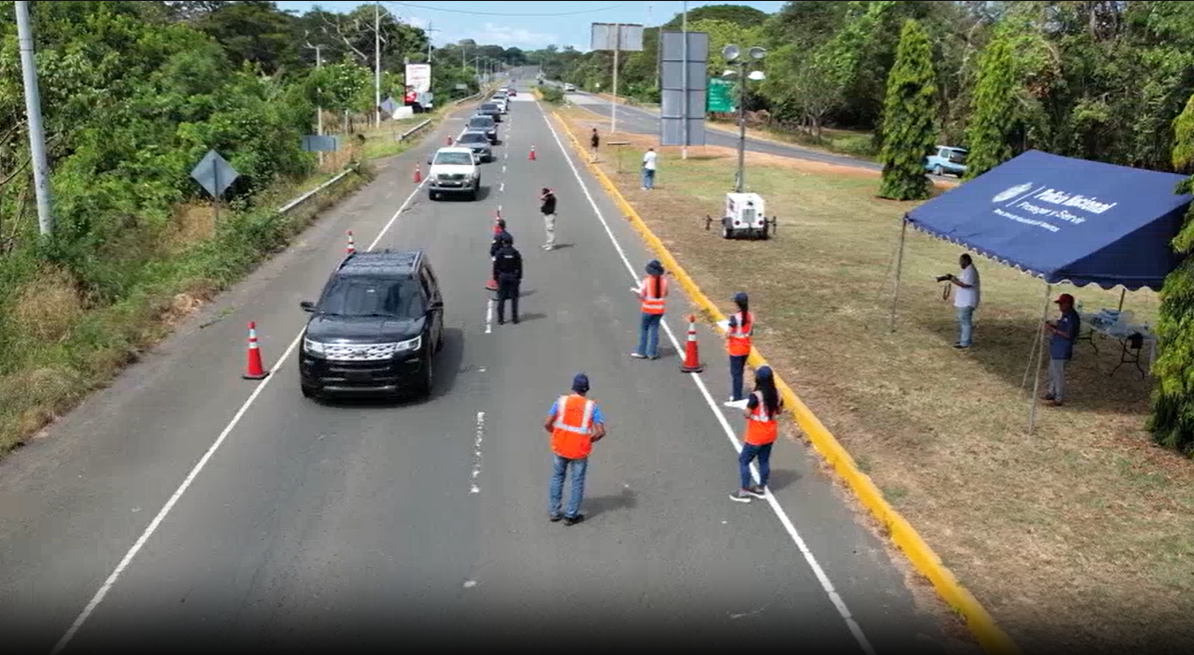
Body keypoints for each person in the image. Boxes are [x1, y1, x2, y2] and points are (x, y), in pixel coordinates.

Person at [544, 373, 606, 525]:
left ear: (573, 387)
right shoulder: (592, 407)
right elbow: (601, 431)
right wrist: (589, 440)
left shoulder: (561, 402)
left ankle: (554, 512)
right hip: (579, 450)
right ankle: (571, 516)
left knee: (557, 477)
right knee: (577, 482)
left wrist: (557, 434)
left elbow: (547, 423)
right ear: (586, 389)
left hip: (560, 447)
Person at [730, 366, 783, 503]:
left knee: (744, 460)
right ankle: (760, 488)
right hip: (770, 433)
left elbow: (747, 413)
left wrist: (748, 412)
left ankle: (744, 492)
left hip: (756, 435)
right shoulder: (776, 394)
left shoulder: (756, 396)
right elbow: (779, 411)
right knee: (764, 461)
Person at [1042, 293, 1081, 407]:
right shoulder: (1065, 315)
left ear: (1068, 304)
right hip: (1056, 348)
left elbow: (1069, 334)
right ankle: (1051, 392)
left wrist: (1053, 330)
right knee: (1052, 372)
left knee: (1058, 375)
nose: (1060, 306)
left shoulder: (1071, 317)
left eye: (1062, 304)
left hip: (1062, 350)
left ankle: (1059, 397)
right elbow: (1062, 326)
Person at [630, 259, 668, 360]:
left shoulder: (646, 281)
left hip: (647, 309)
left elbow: (641, 295)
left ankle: (641, 351)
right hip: (659, 310)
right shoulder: (664, 281)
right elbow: (665, 293)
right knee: (654, 330)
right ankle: (652, 353)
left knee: (644, 330)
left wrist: (636, 293)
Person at [724, 291, 753, 405]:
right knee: (740, 372)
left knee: (736, 373)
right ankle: (737, 394)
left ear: (737, 304)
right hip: (746, 348)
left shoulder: (734, 318)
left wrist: (727, 333)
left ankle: (737, 396)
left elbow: (728, 334)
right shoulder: (750, 316)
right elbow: (750, 332)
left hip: (736, 349)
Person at [947, 253, 981, 349]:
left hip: (967, 301)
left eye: (961, 261)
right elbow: (962, 280)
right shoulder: (966, 270)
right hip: (962, 301)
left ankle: (965, 342)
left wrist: (953, 280)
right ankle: (962, 339)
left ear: (966, 261)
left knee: (965, 322)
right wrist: (953, 278)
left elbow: (966, 284)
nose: (960, 263)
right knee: (960, 320)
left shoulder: (970, 271)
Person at [492, 233, 522, 325]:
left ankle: (501, 319)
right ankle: (515, 318)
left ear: (503, 242)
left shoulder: (499, 253)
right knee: (514, 299)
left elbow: (495, 267)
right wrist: (519, 277)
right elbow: (520, 267)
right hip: (513, 276)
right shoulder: (516, 253)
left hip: (502, 276)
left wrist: (496, 277)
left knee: (501, 298)